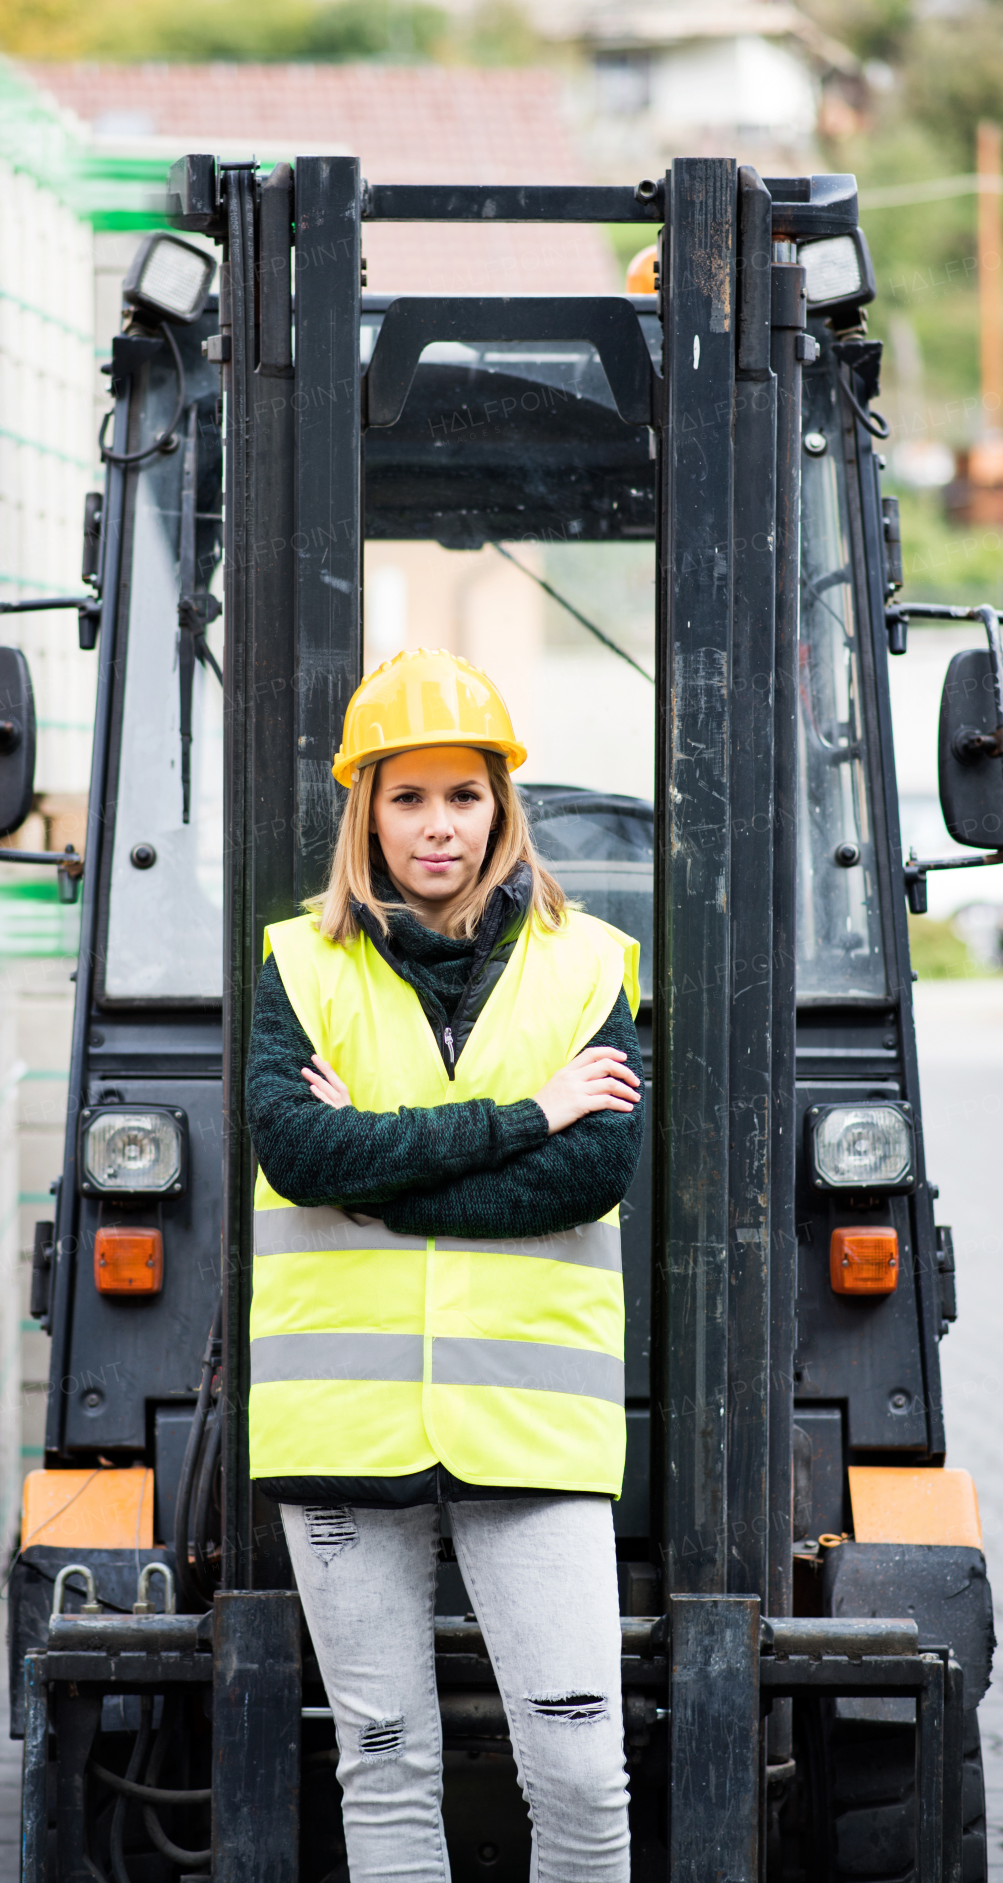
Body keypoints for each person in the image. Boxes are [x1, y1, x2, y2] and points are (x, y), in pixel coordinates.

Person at [245, 647, 644, 1883]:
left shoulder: (590, 963)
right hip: (342, 1430)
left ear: (499, 807)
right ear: (364, 809)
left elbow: (591, 1178)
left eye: (461, 796)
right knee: (383, 1759)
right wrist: (527, 1116)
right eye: (405, 797)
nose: (436, 826)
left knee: (581, 1773)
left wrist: (381, 1170)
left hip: (531, 1430)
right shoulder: (298, 963)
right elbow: (299, 1150)